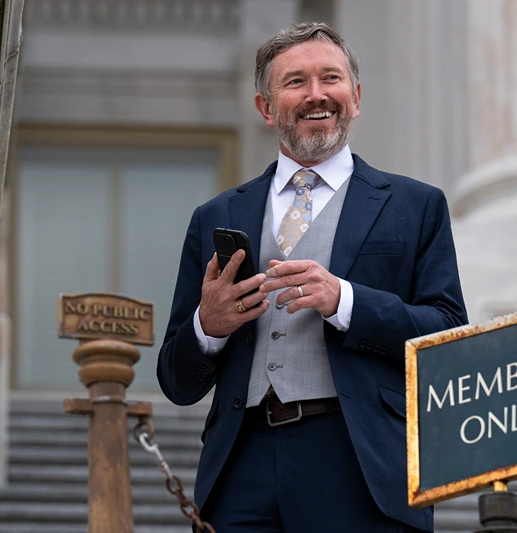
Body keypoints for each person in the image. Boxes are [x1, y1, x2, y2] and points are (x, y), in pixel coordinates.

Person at [157, 21, 467, 533]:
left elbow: (449, 336)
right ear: (265, 107)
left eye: (331, 78)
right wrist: (207, 327)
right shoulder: (214, 215)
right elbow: (175, 381)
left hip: (360, 462)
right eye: (296, 82)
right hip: (242, 468)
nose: (317, 95)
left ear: (357, 96)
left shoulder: (417, 206)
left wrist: (345, 300)